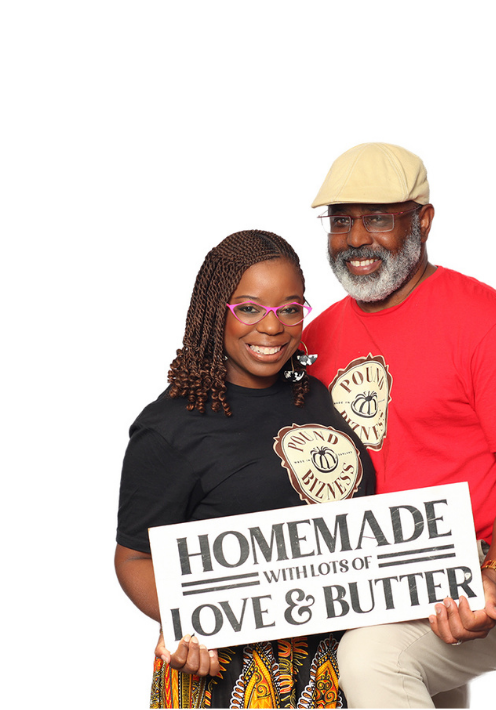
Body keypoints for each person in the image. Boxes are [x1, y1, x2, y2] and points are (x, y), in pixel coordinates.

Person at [300, 142, 496, 708]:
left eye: (377, 218)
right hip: (371, 581)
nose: (355, 239)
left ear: (422, 220)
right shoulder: (312, 341)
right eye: (341, 221)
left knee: (373, 659)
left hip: (486, 570)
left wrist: (491, 575)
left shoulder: (493, 327)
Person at [114, 230, 377, 708]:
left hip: (331, 670)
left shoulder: (316, 397)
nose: (273, 328)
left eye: (290, 308)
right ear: (217, 311)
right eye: (250, 308)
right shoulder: (171, 427)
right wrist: (185, 621)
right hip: (225, 674)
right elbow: (133, 558)